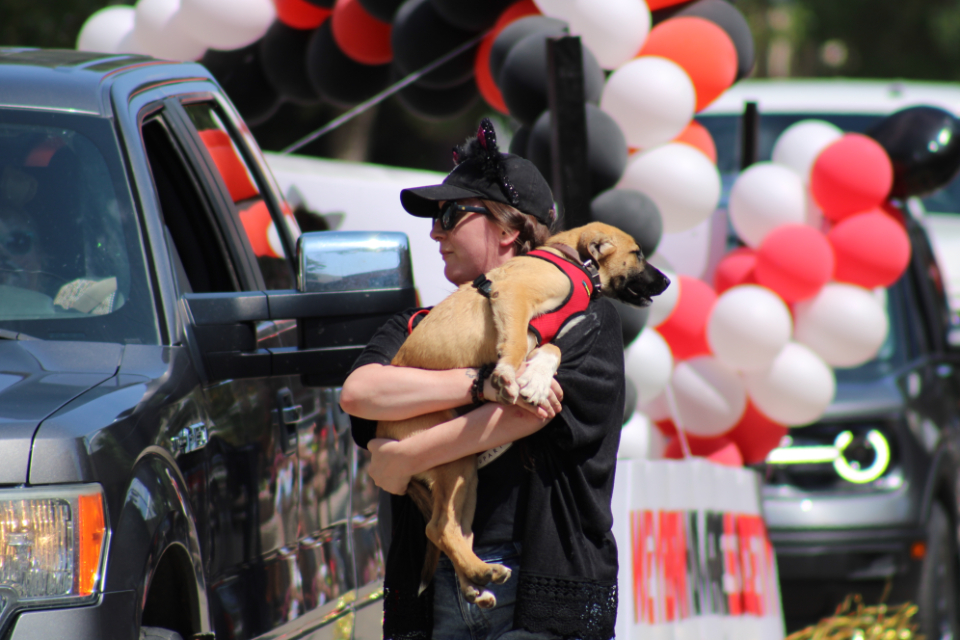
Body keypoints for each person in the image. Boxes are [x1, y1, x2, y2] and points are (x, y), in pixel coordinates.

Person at [340, 119, 625, 640]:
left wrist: (405, 456)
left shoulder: (585, 318)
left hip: (543, 585)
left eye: (450, 215)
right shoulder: (416, 325)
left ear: (508, 229)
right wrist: (481, 384)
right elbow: (360, 394)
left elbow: (531, 413)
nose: (435, 232)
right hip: (442, 585)